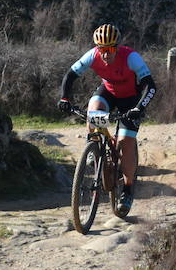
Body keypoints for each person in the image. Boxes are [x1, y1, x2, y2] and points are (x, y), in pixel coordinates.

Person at [57, 23, 157, 215]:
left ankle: (127, 189)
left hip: (131, 100)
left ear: (117, 47)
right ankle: (94, 146)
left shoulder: (131, 58)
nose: (105, 54)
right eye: (102, 49)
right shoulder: (92, 55)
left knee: (125, 143)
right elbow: (70, 76)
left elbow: (150, 86)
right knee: (93, 109)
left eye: (110, 49)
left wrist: (139, 107)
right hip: (109, 93)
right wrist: (64, 98)